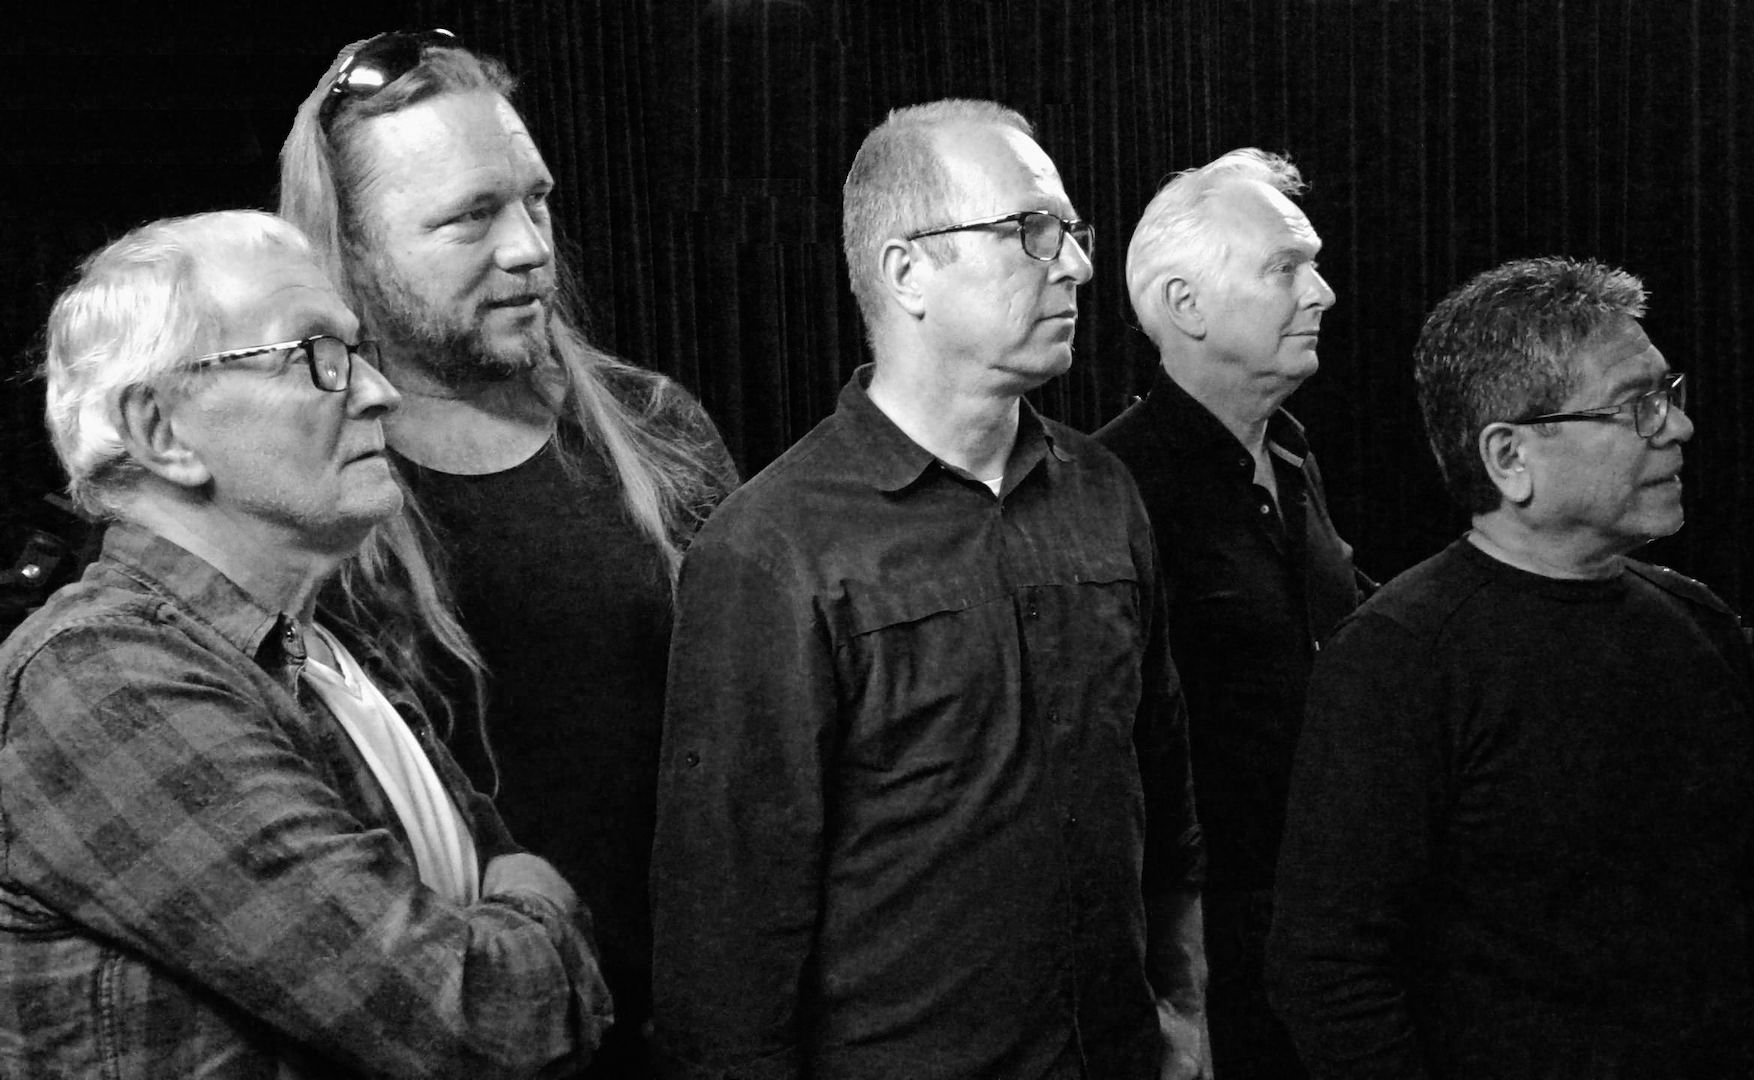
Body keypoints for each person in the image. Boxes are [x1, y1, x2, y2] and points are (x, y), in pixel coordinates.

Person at [650, 99, 1210, 1080]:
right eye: (1031, 230)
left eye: (1071, 230)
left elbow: (1163, 792)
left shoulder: (1103, 493)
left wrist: (1185, 1009)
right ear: (907, 272)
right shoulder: (771, 550)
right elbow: (726, 934)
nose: (1077, 265)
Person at [0, 210, 610, 1078]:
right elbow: (479, 1021)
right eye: (316, 356)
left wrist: (513, 909)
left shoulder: (321, 648)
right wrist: (541, 907)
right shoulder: (100, 681)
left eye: (359, 352)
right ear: (161, 431)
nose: (379, 392)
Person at [278, 31, 737, 1075]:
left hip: (697, 1026)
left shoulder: (653, 426)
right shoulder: (309, 485)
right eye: (471, 216)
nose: (530, 246)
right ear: (352, 248)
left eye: (536, 200)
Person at [1269, 256, 1754, 1079]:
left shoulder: (1700, 625)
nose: (1678, 427)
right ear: (1509, 457)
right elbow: (1329, 970)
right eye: (1637, 406)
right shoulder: (1398, 658)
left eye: (1668, 394)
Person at [1095, 148, 1363, 1079]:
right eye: (1285, 268)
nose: (1322, 291)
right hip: (1211, 962)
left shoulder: (1290, 455)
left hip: (1321, 924)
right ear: (1187, 305)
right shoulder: (1110, 488)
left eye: (1313, 264)